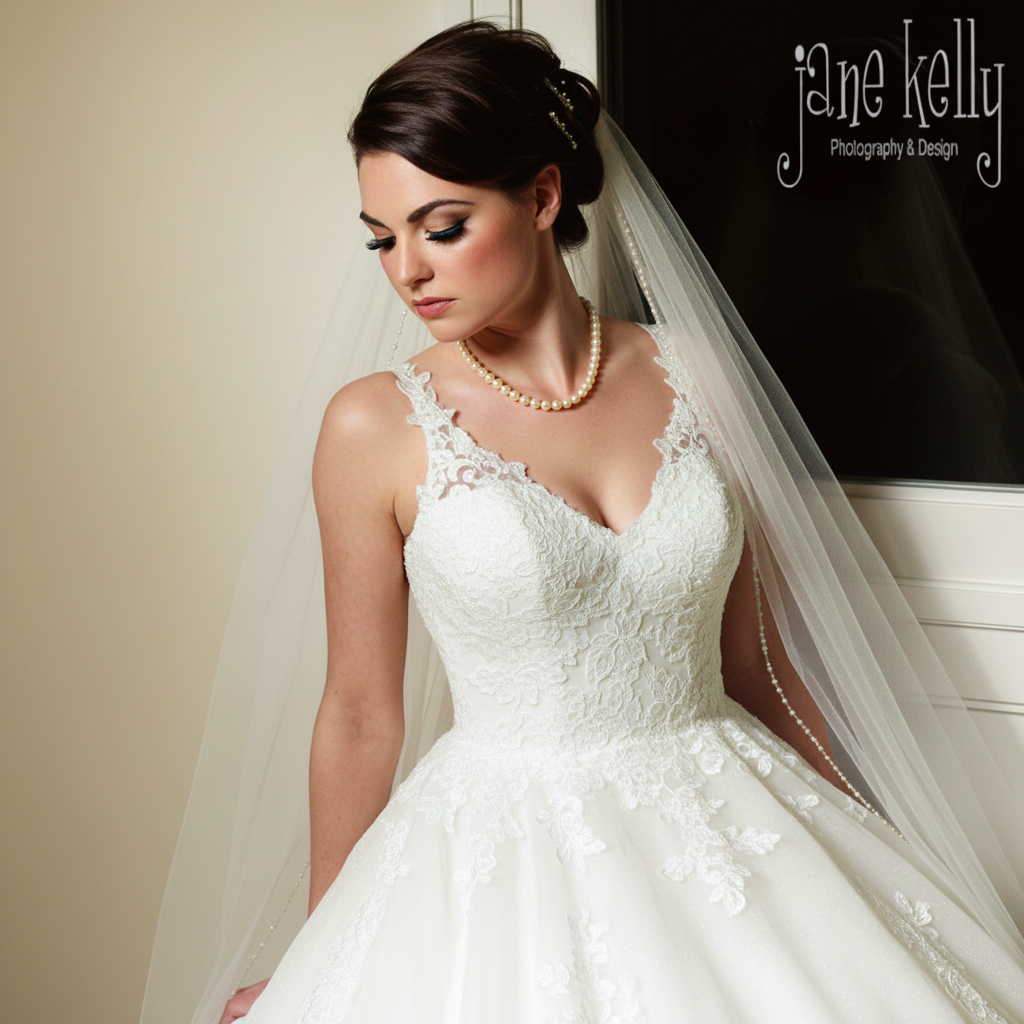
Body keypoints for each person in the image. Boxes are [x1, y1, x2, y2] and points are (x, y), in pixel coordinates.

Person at [141, 22, 1024, 1024]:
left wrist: (865, 863)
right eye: (382, 238)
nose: (406, 271)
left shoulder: (698, 373)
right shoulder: (373, 425)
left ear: (542, 196)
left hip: (728, 823)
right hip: (504, 865)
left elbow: (758, 668)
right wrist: (320, 955)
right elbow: (358, 714)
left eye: (441, 227)